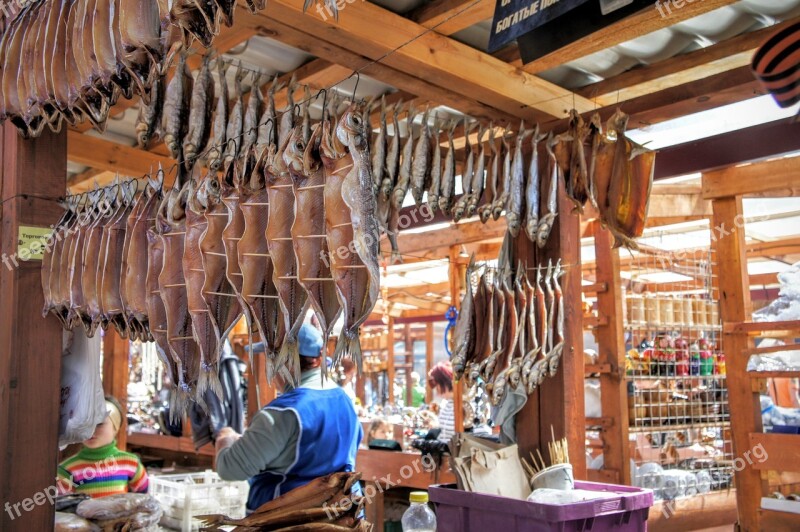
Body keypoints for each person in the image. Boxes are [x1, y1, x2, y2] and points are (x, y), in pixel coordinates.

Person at [215, 323, 363, 512]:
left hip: (289, 520)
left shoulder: (283, 412)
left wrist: (225, 439)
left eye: (272, 358)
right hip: (339, 517)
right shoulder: (344, 400)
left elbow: (230, 468)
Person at [58, 396, 149, 498]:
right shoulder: (66, 470)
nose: (90, 431)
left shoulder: (131, 463)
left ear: (115, 427)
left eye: (99, 424)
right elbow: (62, 508)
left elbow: (143, 499)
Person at [427, 361, 455, 441]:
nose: (437, 391)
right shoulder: (447, 403)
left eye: (437, 386)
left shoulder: (463, 404)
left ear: (445, 382)